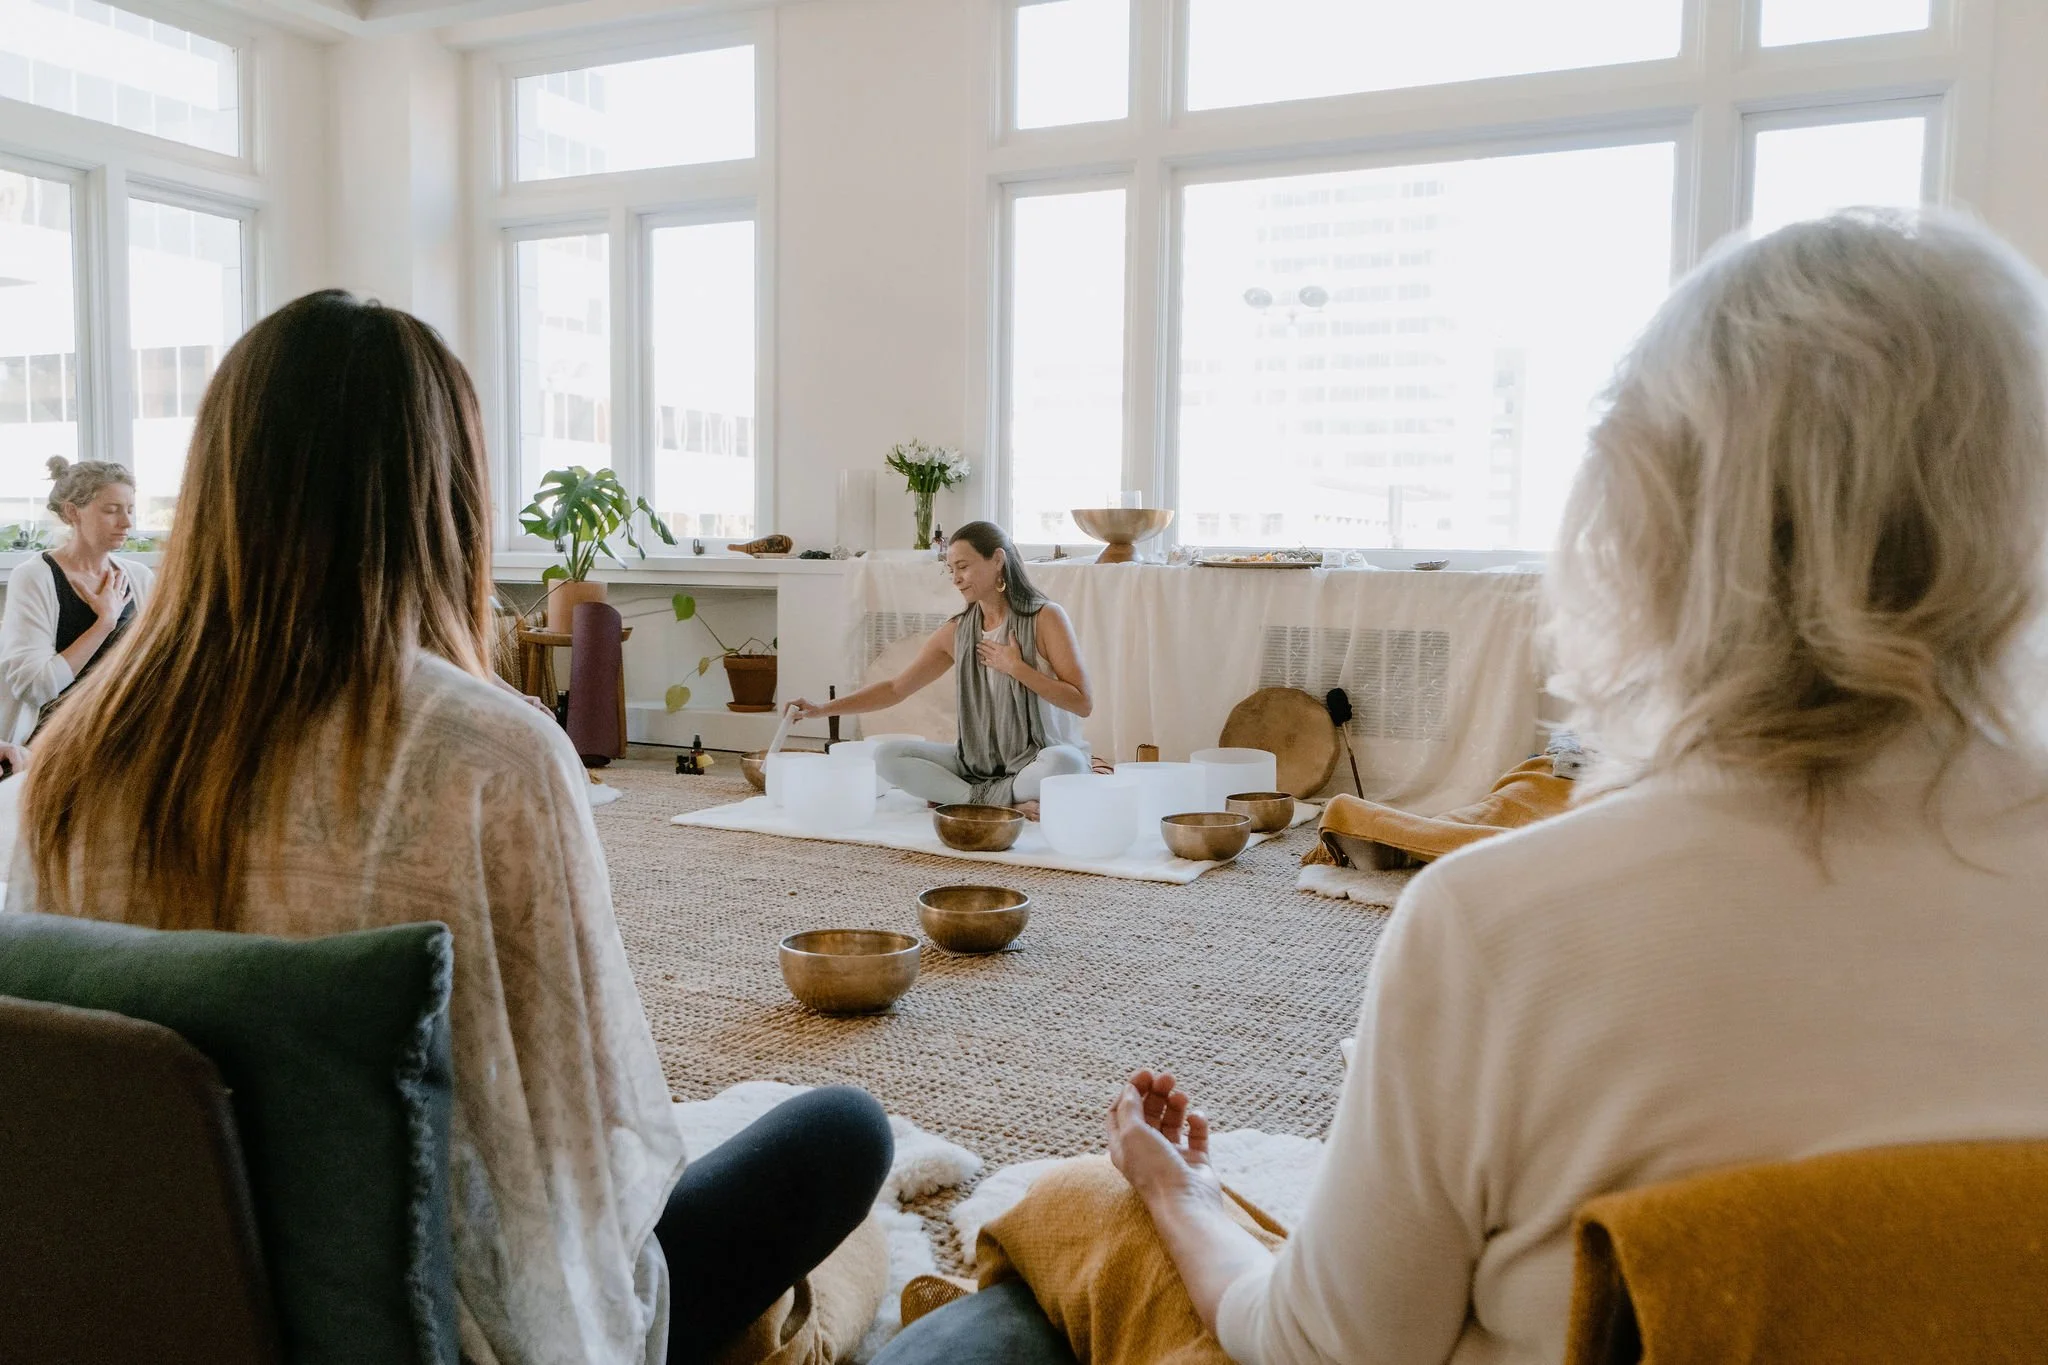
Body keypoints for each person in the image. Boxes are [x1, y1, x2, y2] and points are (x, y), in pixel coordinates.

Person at [945, 210, 2048, 1365]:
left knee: (1081, 1206)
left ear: (1654, 516)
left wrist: (1179, 1196)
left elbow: (1325, 1351)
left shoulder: (1497, 925)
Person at [9, 291, 891, 1365]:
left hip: (161, 1303)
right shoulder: (486, 755)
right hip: (431, 1326)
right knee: (842, 1133)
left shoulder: (71, 757)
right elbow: (585, 1146)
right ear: (444, 497)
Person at [788, 521, 1092, 814]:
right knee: (888, 756)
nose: (956, 578)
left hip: (1040, 757)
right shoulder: (957, 631)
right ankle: (989, 800)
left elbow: (1082, 703)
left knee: (1067, 764)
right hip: (979, 763)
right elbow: (895, 688)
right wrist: (820, 709)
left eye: (963, 566)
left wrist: (1017, 668)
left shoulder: (1046, 618)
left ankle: (963, 796)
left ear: (997, 559)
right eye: (951, 570)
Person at [0, 458, 155, 743]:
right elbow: (34, 686)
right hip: (56, 740)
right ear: (73, 512)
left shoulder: (140, 577)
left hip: (126, 734)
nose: (127, 522)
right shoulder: (34, 578)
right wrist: (104, 623)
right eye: (111, 510)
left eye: (130, 510)